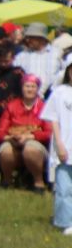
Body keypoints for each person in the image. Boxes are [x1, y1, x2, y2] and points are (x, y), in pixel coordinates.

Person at [0, 74, 50, 189]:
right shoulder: (12, 105)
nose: (30, 89)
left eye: (33, 86)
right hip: (13, 140)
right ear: (22, 88)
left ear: (37, 89)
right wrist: (10, 138)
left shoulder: (44, 106)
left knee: (30, 149)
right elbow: (1, 132)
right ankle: (7, 180)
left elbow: (49, 132)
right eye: (27, 86)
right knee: (6, 151)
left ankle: (38, 182)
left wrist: (30, 136)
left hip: (35, 142)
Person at [48, 61, 72, 234]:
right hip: (65, 146)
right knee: (64, 187)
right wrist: (59, 144)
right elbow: (53, 119)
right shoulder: (59, 92)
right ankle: (65, 221)